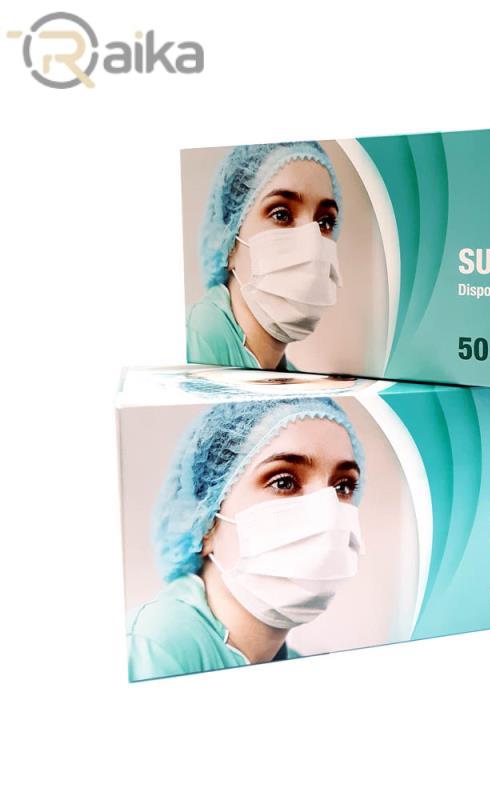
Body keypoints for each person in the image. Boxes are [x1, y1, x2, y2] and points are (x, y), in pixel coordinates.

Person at [127, 396, 365, 682]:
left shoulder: (293, 664)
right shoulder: (158, 647)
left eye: (343, 486)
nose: (327, 513)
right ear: (204, 521)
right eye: (284, 482)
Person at [187, 141, 344, 370]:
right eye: (281, 215)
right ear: (228, 242)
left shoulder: (288, 374)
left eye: (325, 222)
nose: (312, 244)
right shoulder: (199, 339)